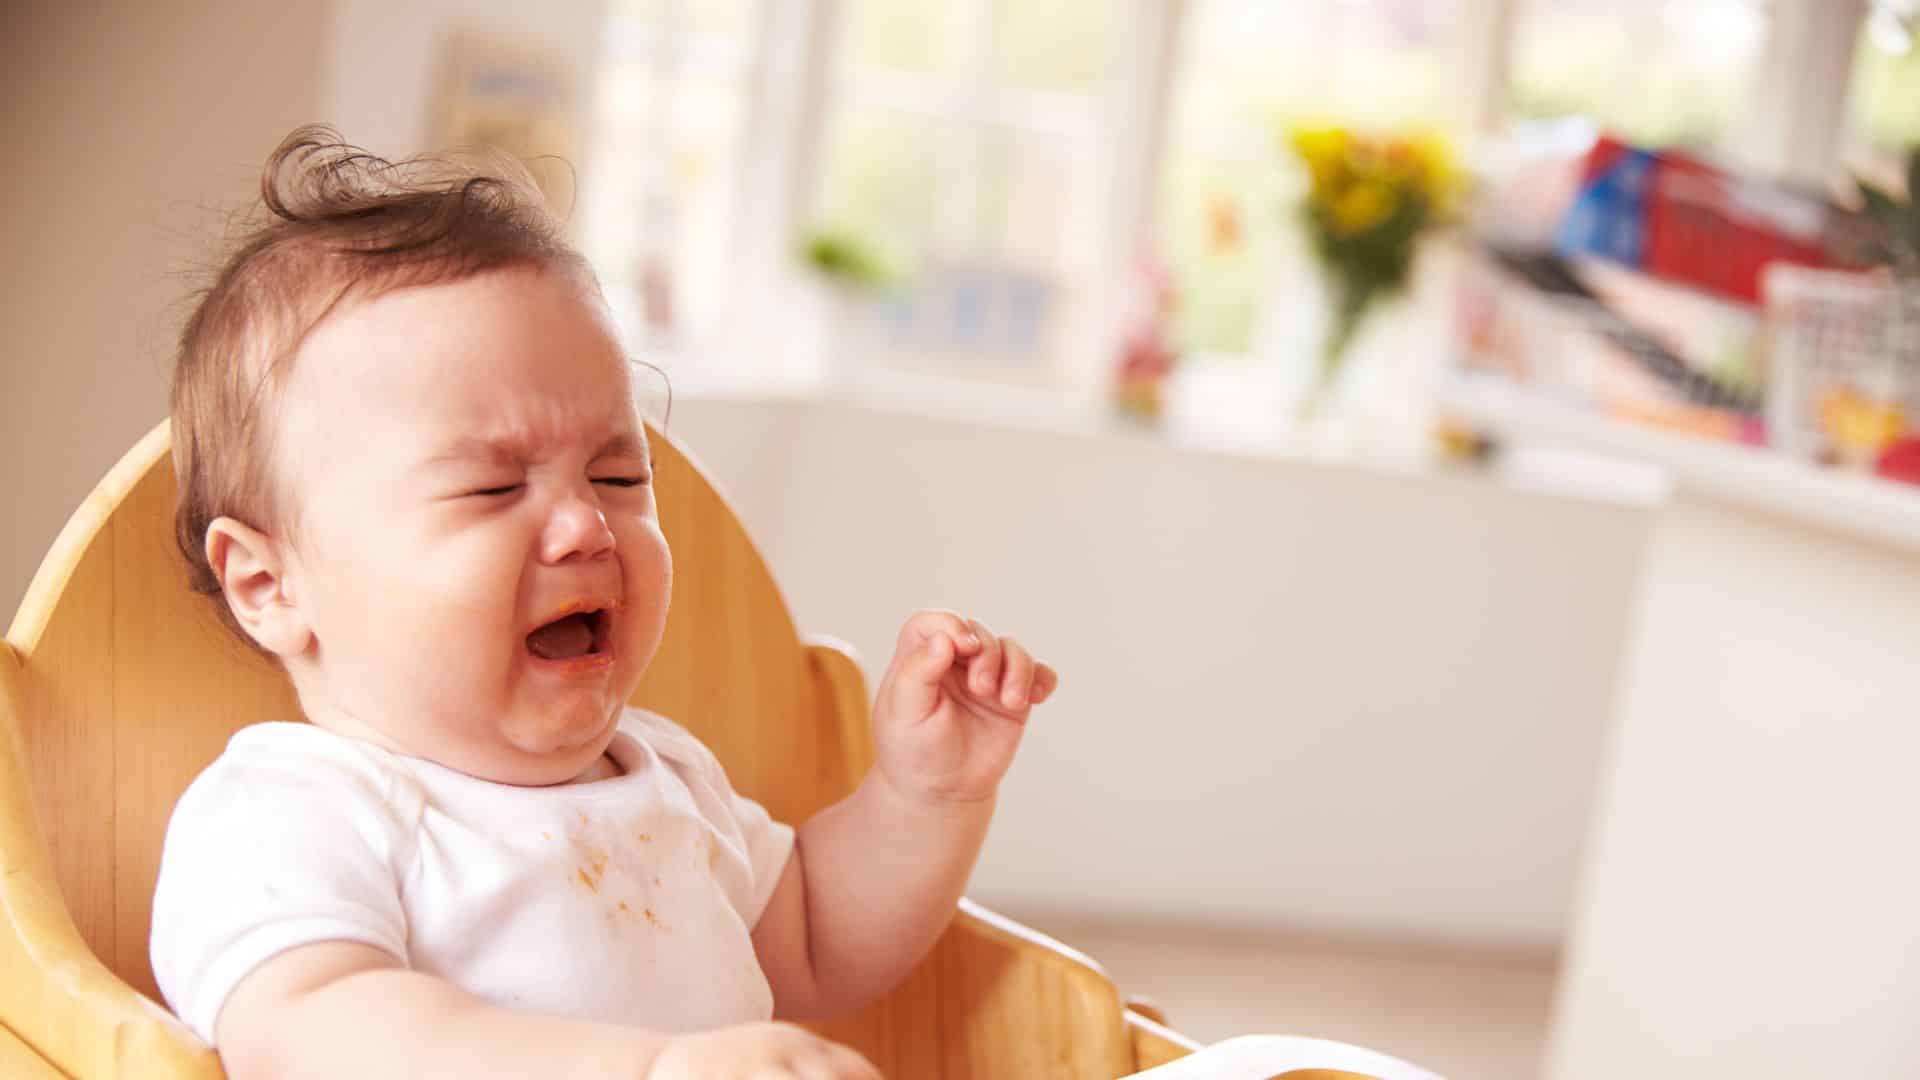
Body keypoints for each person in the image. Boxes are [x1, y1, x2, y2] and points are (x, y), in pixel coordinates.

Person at [149, 126, 1058, 1080]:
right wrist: (654, 1066)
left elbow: (819, 941)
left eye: (621, 476)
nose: (587, 527)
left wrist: (927, 795)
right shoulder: (296, 812)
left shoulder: (666, 779)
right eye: (494, 490)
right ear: (269, 584)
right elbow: (316, 1031)